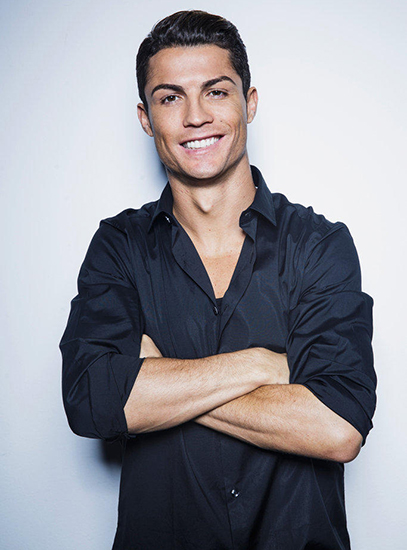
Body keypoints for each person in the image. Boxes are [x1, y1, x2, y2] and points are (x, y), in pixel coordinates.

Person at [60, 10, 376, 550]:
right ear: (145, 118)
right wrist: (259, 366)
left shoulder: (318, 245)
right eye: (170, 98)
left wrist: (157, 379)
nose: (195, 116)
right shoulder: (119, 246)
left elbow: (337, 428)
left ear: (248, 103)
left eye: (216, 92)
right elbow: (93, 400)